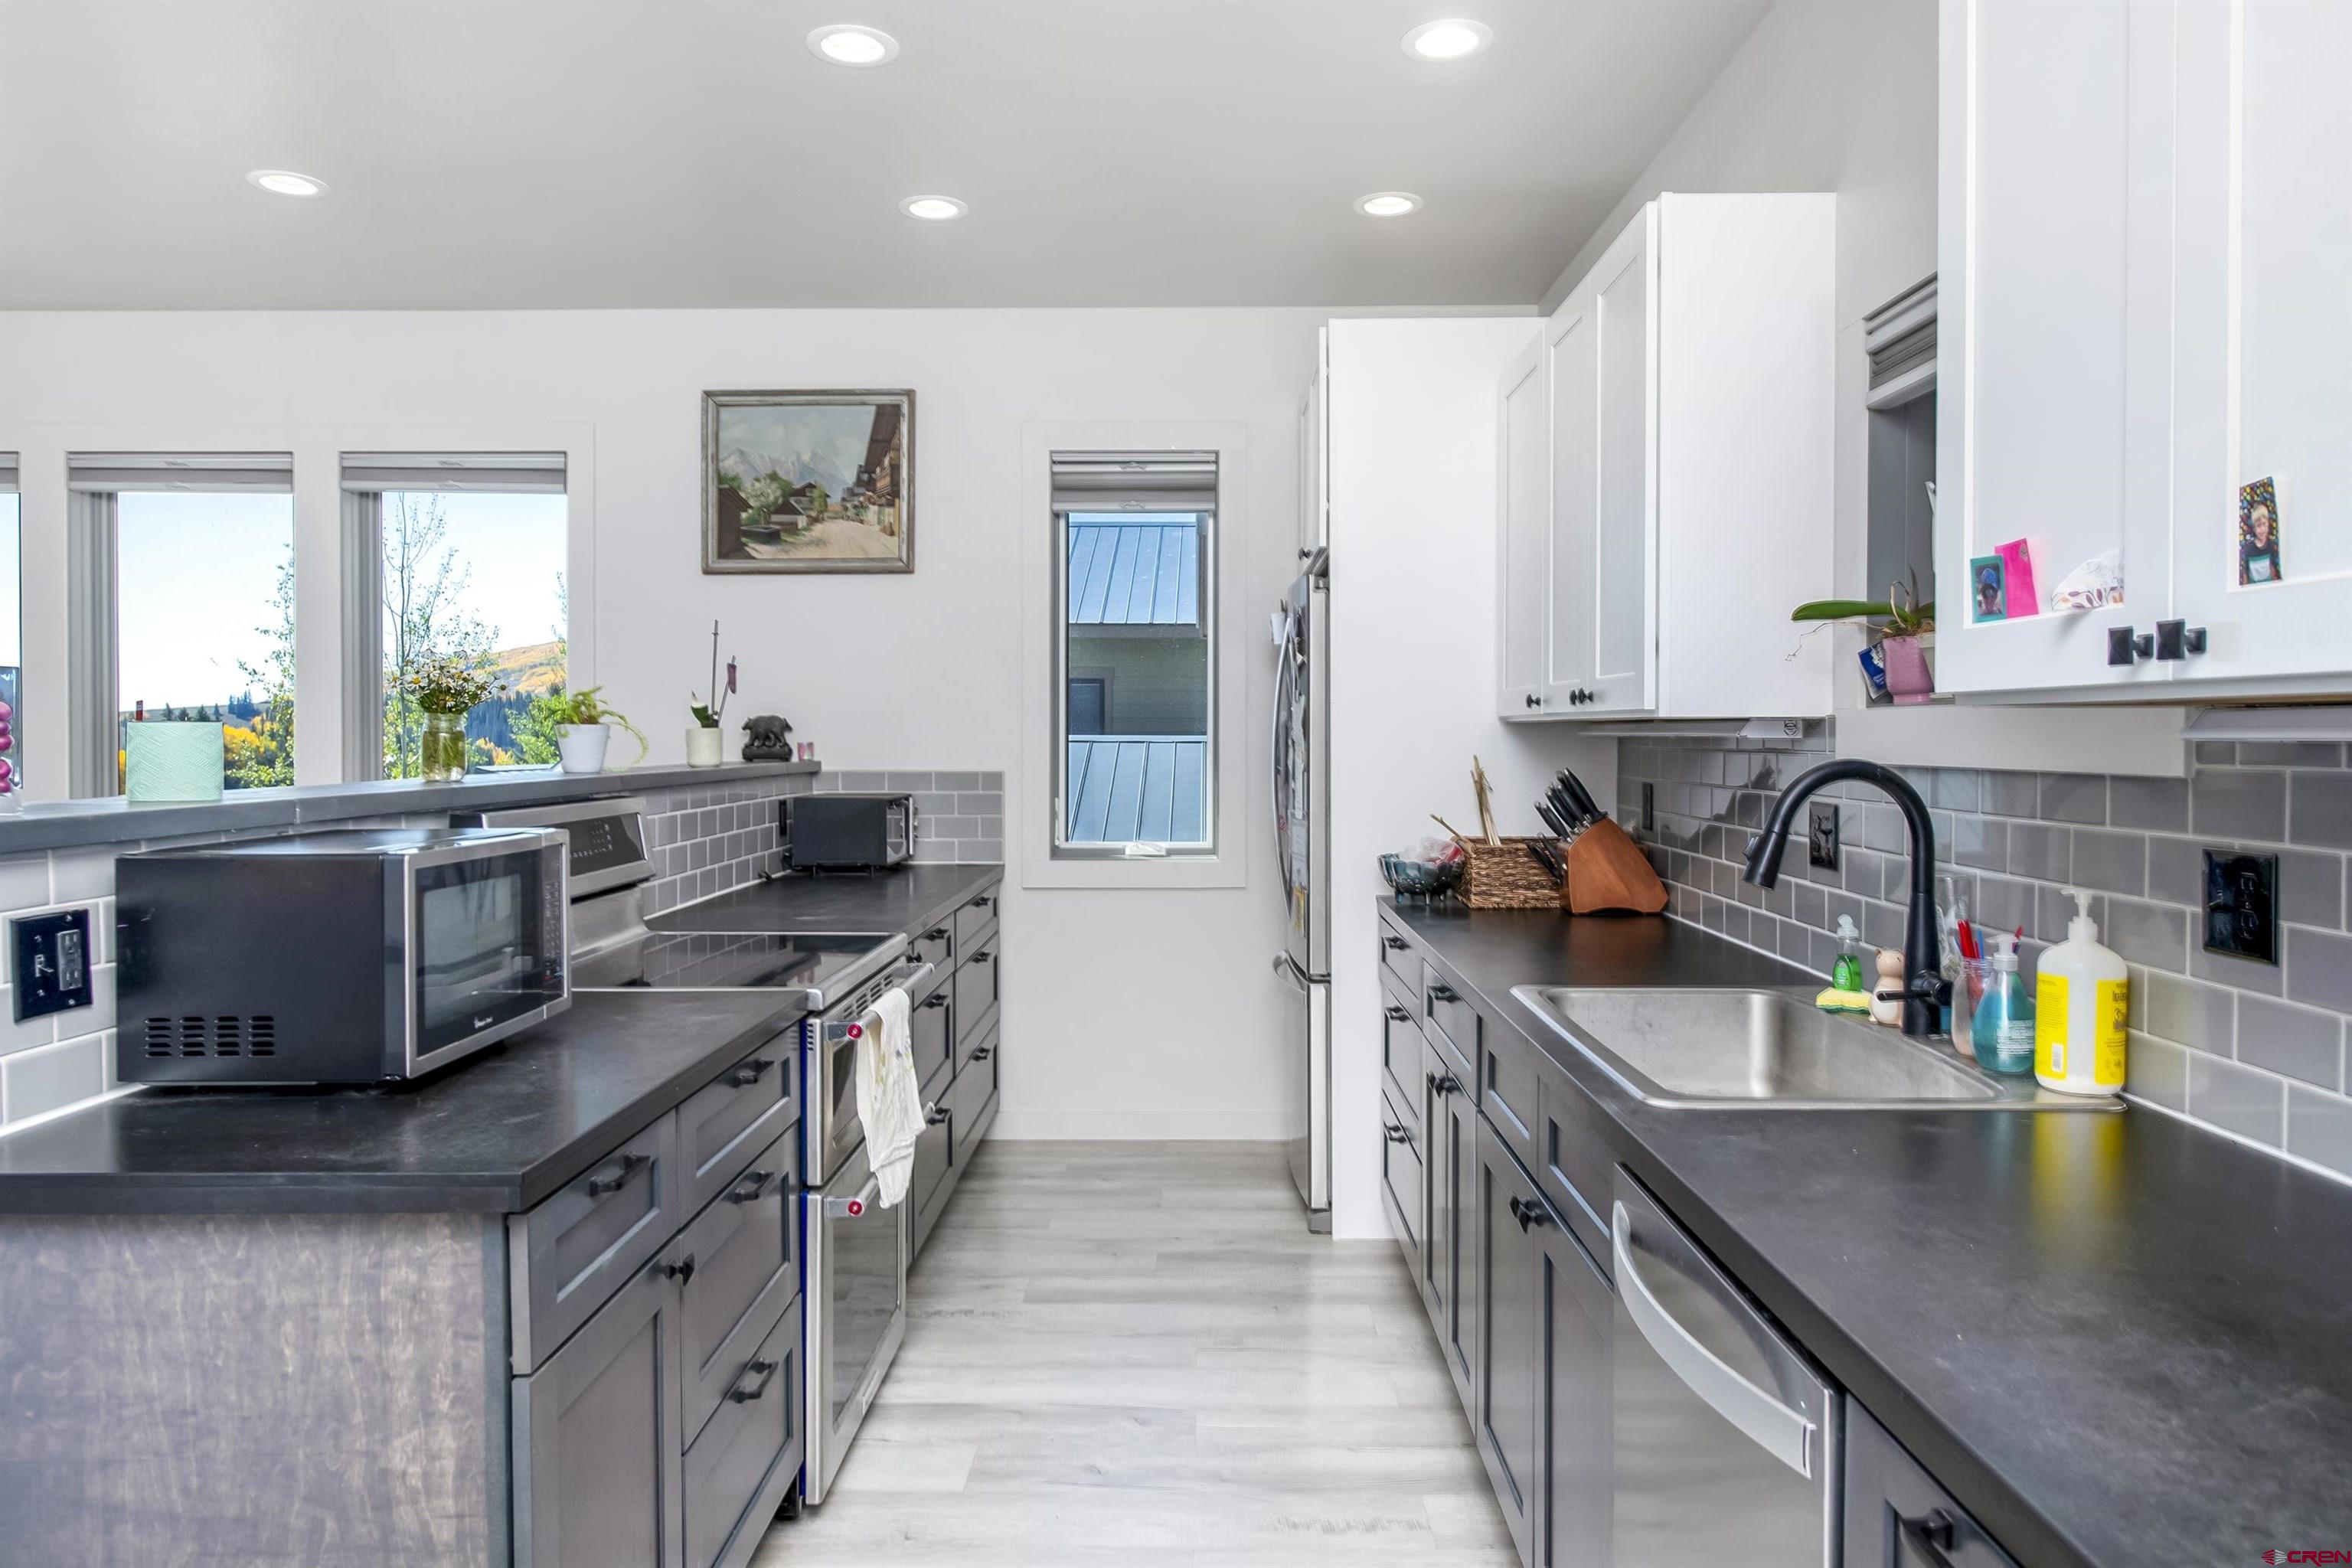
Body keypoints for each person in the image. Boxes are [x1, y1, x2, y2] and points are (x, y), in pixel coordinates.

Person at [2241, 496, 2282, 584]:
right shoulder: (2248, 549)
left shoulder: (2271, 545)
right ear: (2254, 528)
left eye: (2264, 524)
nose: (2262, 529)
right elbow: (2245, 575)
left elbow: (2274, 570)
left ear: (2268, 524)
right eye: (2259, 526)